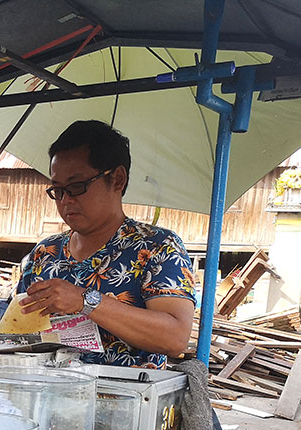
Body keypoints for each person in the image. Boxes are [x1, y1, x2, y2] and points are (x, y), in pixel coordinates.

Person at [17, 120, 196, 368]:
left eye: (76, 186)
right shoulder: (45, 253)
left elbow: (175, 338)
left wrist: (85, 301)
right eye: (58, 190)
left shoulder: (157, 247)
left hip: (125, 391)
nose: (66, 200)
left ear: (117, 179)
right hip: (45, 388)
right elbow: (16, 328)